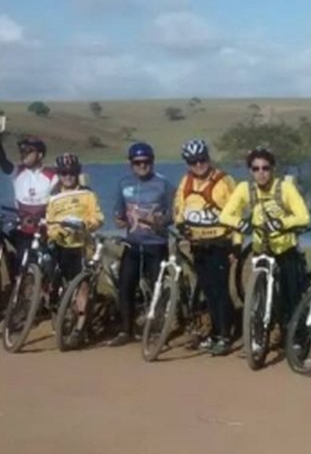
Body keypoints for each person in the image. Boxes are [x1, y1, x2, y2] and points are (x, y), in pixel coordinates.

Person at [220, 147, 311, 350]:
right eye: (256, 169)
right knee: (259, 295)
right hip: (261, 249)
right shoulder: (245, 189)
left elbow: (303, 216)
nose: (261, 173)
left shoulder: (285, 188)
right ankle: (259, 332)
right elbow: (225, 215)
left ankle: (297, 337)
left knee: (291, 295)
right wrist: (240, 223)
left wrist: (282, 223)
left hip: (284, 248)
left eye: (265, 168)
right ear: (250, 171)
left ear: (273, 169)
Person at [173, 138, 237, 356]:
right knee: (208, 290)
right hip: (198, 244)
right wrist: (181, 225)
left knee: (220, 290)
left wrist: (235, 246)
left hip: (220, 243)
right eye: (193, 162)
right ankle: (215, 331)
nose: (198, 165)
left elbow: (236, 213)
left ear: (208, 158)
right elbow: (179, 207)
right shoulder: (186, 181)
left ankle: (225, 336)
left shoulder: (224, 180)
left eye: (202, 160)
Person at [109, 142, 175, 347]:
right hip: (133, 244)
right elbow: (118, 212)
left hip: (156, 244)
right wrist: (118, 220)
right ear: (131, 164)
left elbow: (175, 212)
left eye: (146, 162)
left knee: (158, 289)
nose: (142, 166)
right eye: (137, 163)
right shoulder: (123, 183)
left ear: (152, 162)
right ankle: (126, 330)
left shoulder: (164, 184)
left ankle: (158, 331)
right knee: (125, 287)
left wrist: (162, 221)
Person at [46, 153, 104, 348]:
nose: (68, 176)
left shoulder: (88, 194)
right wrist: (55, 233)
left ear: (77, 173)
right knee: (53, 284)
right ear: (59, 175)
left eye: (72, 173)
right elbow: (50, 222)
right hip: (61, 245)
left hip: (81, 246)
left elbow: (98, 218)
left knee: (82, 288)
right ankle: (59, 318)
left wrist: (86, 224)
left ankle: (79, 328)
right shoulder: (54, 197)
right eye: (64, 173)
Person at [0, 130, 57, 273]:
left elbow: (57, 204)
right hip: (23, 230)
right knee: (21, 268)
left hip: (44, 231)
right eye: (21, 150)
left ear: (40, 155)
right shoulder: (17, 172)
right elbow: (3, 162)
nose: (23, 153)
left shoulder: (52, 176)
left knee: (46, 269)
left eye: (29, 151)